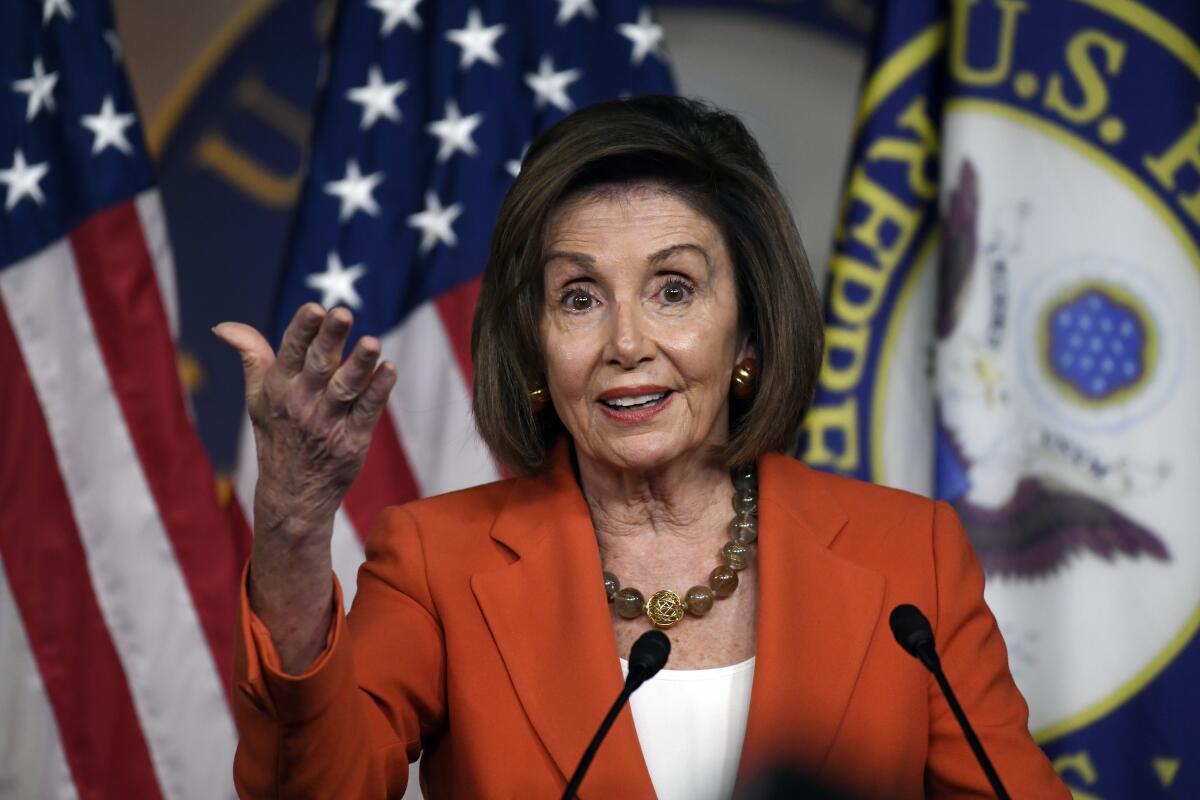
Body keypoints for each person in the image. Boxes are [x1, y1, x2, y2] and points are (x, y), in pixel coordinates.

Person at [215, 96, 1069, 799]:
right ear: (537, 343)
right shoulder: (438, 563)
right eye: (579, 297)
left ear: (748, 331)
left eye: (673, 289)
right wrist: (292, 528)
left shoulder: (909, 557)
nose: (627, 342)